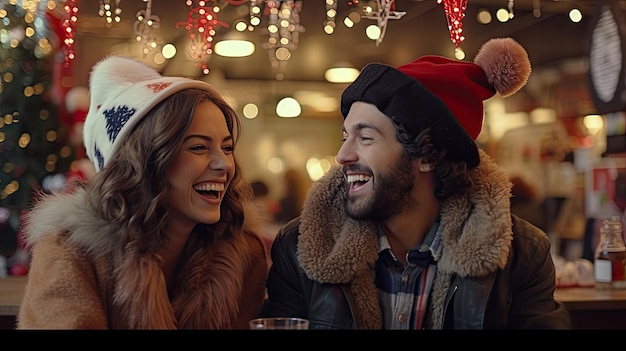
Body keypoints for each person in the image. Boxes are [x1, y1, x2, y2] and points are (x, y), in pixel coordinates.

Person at [259, 37, 571, 329]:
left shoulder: (523, 255)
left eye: (365, 138)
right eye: (345, 136)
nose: (342, 155)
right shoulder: (298, 247)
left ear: (427, 156)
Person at [16, 56, 269, 329]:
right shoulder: (70, 251)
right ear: (143, 161)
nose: (224, 164)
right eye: (198, 147)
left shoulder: (241, 254)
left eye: (227, 148)